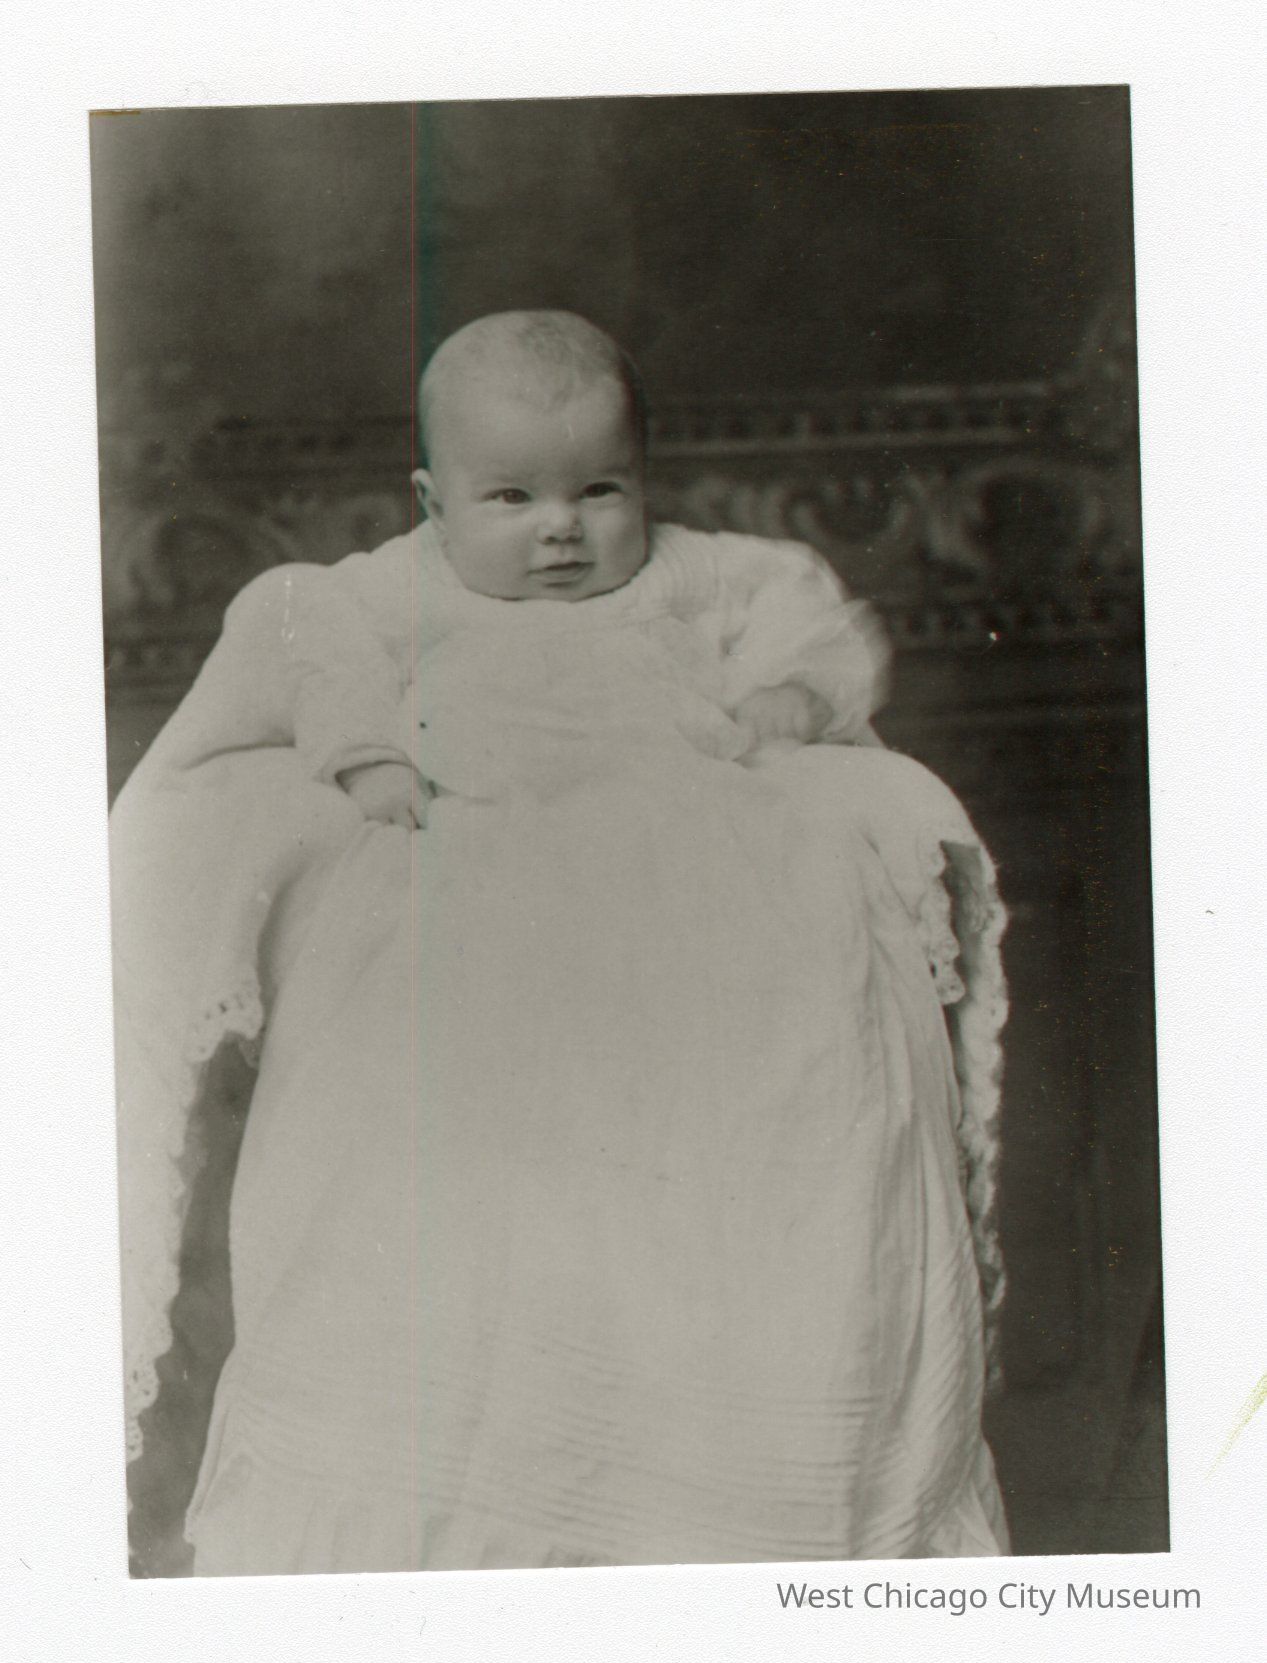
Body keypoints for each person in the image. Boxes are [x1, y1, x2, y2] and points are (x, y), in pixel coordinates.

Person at [112, 311, 1010, 1574]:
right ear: (432, 499)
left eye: (599, 490)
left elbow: (810, 617)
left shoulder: (691, 578)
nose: (561, 529)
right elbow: (295, 635)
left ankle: (751, 1430)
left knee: (786, 1094)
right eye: (512, 497)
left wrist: (787, 694)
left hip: (703, 917)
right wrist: (361, 749)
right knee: (461, 1159)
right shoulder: (400, 590)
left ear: (644, 480)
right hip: (488, 916)